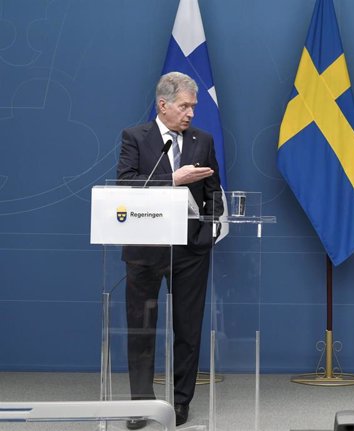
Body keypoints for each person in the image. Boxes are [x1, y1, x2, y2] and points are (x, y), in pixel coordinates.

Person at [117, 71, 223, 429]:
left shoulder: (202, 140)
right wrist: (173, 180)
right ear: (163, 106)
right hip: (145, 250)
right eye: (184, 106)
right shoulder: (135, 137)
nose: (191, 113)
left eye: (193, 106)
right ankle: (141, 405)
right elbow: (126, 185)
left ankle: (180, 403)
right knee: (141, 329)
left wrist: (210, 228)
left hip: (191, 251)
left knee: (188, 331)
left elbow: (215, 194)